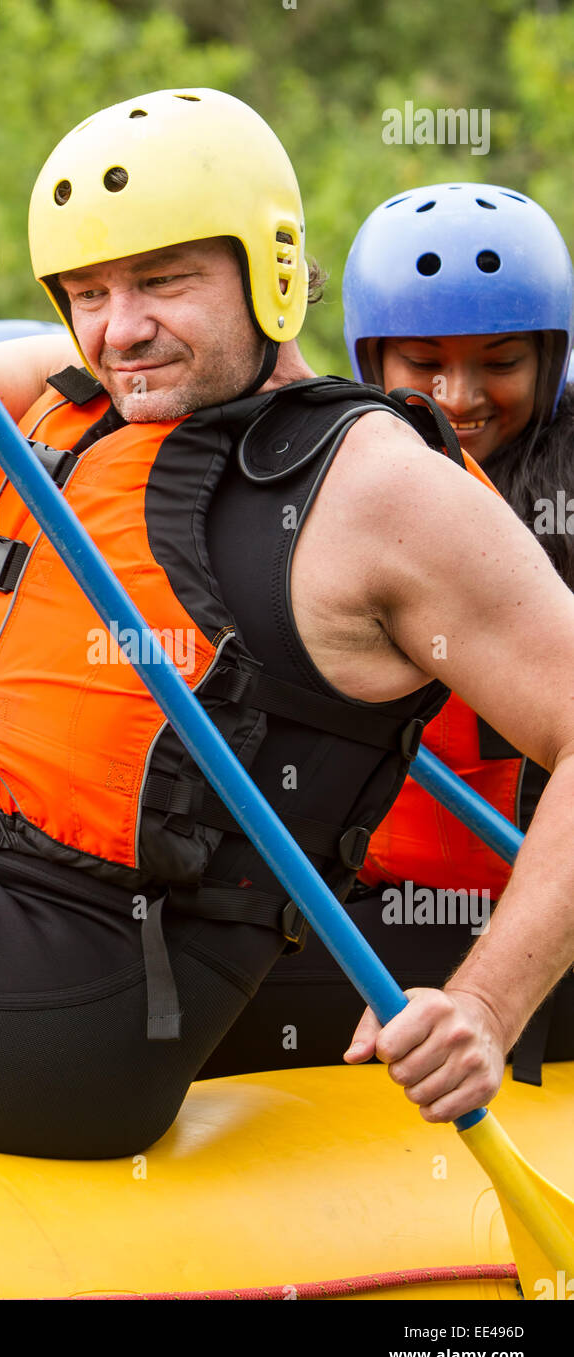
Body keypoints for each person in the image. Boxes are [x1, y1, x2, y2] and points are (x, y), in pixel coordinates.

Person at [0, 90, 574, 1161]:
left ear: (270, 269)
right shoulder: (68, 399)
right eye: (87, 292)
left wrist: (486, 1001)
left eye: (163, 282)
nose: (120, 327)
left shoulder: (383, 489)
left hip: (89, 997)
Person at [200, 182, 574, 1086]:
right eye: (423, 363)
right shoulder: (347, 476)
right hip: (379, 895)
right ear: (371, 362)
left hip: (529, 917)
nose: (462, 395)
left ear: (553, 357)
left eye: (501, 362)